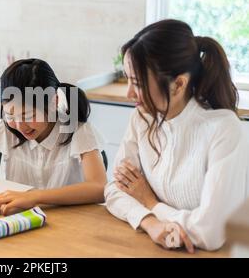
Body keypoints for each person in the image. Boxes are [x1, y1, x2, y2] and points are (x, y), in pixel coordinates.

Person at [104, 19, 249, 252]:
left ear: (178, 84)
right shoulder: (143, 117)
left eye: (137, 83)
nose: (129, 93)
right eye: (128, 80)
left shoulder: (223, 129)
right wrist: (151, 224)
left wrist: (150, 201)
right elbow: (114, 190)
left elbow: (211, 232)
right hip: (155, 247)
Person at [0, 58, 107, 215]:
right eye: (10, 116)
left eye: (28, 116)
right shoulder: (6, 130)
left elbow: (99, 188)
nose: (19, 126)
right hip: (18, 219)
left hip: (69, 221)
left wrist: (35, 197)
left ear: (54, 102)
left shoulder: (77, 130)